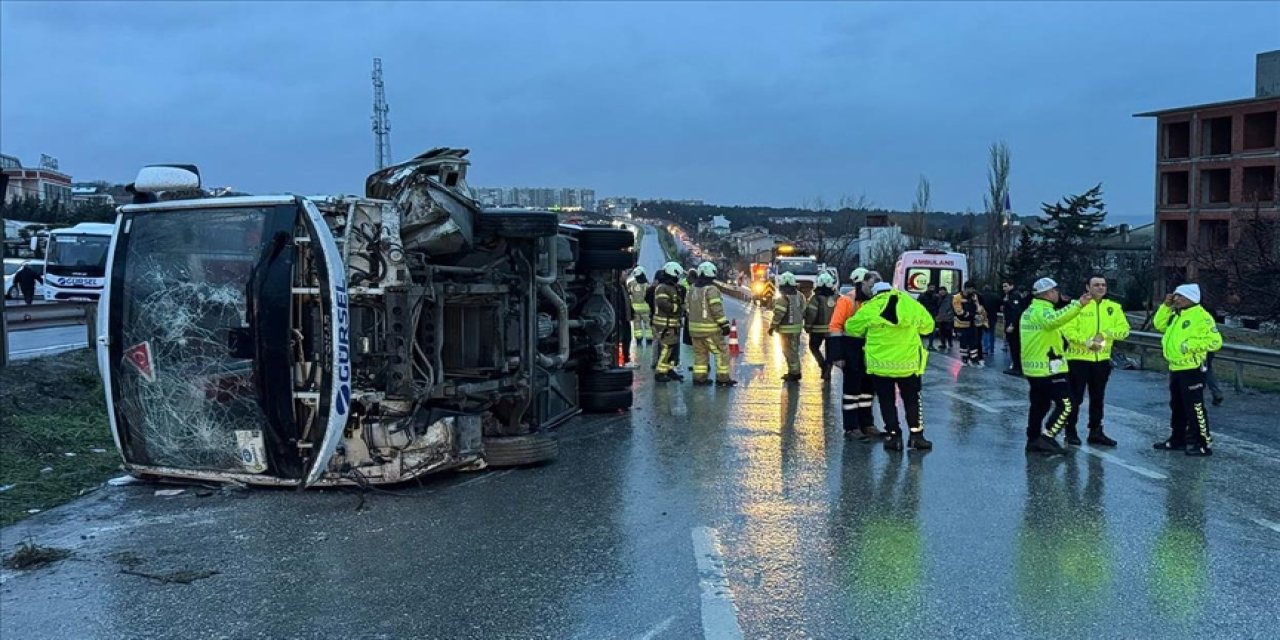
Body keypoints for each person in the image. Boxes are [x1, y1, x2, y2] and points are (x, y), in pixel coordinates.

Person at [846, 281, 936, 451]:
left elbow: (852, 327)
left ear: (875, 293)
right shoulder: (910, 304)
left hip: (881, 366)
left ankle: (894, 437)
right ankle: (917, 436)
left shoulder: (870, 307)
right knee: (912, 400)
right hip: (908, 364)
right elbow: (928, 326)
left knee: (887, 402)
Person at [1020, 277, 1090, 455]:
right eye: (1056, 291)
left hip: (1035, 367)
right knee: (1067, 405)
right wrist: (1078, 305)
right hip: (1048, 368)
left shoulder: (1032, 310)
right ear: (1049, 293)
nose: (1058, 294)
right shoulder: (1042, 311)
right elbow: (1054, 321)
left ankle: (1033, 439)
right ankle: (1047, 437)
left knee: (1040, 405)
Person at [1152, 283, 1221, 456]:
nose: (1176, 299)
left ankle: (1203, 443)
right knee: (1177, 406)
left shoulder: (1202, 317)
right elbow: (1159, 325)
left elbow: (1215, 341)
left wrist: (1188, 346)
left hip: (1192, 369)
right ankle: (1178, 439)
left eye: (1180, 296)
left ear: (1191, 297)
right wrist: (1165, 306)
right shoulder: (1177, 315)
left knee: (1195, 407)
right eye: (1175, 295)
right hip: (1176, 367)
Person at [1062, 275, 1130, 447]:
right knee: (1075, 397)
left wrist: (1105, 334)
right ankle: (1070, 430)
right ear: (1088, 287)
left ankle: (1096, 431)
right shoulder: (1077, 306)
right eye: (1096, 285)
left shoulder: (1113, 307)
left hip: (1102, 360)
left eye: (1103, 285)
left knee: (1098, 397)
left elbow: (1124, 330)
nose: (1101, 288)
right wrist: (1087, 342)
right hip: (1078, 359)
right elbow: (1067, 330)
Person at [827, 268, 885, 440]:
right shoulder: (848, 300)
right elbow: (835, 326)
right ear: (863, 283)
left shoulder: (878, 300)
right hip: (851, 349)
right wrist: (837, 356)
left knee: (868, 390)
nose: (874, 289)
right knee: (852, 390)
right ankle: (851, 427)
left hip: (872, 349)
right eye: (871, 285)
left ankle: (867, 424)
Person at [685, 262, 737, 386]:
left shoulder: (691, 289)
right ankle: (723, 379)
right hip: (710, 330)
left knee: (700, 354)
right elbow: (716, 309)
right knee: (722, 352)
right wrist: (724, 325)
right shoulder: (711, 289)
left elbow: (687, 308)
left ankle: (699, 378)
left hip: (694, 329)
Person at [652, 262, 687, 382]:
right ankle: (660, 373)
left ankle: (669, 369)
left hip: (672, 324)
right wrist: (679, 308)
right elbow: (663, 304)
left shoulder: (673, 288)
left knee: (672, 348)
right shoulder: (662, 287)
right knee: (666, 348)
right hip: (665, 325)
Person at [769, 271, 807, 381]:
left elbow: (778, 314)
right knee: (794, 351)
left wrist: (772, 327)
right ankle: (794, 371)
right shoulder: (800, 296)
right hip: (797, 329)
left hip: (785, 330)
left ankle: (794, 373)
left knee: (788, 352)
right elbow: (804, 310)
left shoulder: (782, 298)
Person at [803, 271, 839, 380]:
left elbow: (811, 314)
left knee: (814, 347)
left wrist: (808, 326)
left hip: (817, 330)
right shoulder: (837, 298)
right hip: (833, 331)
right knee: (830, 351)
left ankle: (823, 366)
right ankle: (828, 369)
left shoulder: (815, 299)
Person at [952, 281, 987, 366]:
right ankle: (964, 359)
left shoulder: (974, 297)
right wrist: (974, 316)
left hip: (972, 324)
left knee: (974, 343)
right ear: (966, 288)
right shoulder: (957, 297)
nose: (973, 291)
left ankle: (974, 359)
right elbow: (959, 312)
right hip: (961, 324)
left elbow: (979, 309)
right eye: (972, 289)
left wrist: (976, 304)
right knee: (963, 343)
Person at [1001, 282, 1027, 376]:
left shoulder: (1014, 295)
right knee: (1012, 346)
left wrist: (1012, 324)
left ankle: (1017, 368)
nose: (1004, 288)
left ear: (1012, 286)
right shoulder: (1008, 296)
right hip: (1010, 324)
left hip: (1013, 326)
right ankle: (1016, 366)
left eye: (1006, 286)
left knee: (1015, 347)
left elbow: (1016, 311)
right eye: (1003, 286)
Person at [627, 266, 653, 346]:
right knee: (648, 324)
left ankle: (638, 340)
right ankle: (649, 340)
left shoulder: (631, 283)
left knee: (637, 324)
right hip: (646, 308)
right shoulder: (647, 284)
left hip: (635, 309)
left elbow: (629, 293)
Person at [981, 286, 1003, 358]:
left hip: (984, 317)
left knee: (985, 333)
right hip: (993, 316)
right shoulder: (996, 296)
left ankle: (985, 349)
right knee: (992, 333)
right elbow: (1001, 305)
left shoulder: (981, 296)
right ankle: (992, 350)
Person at [918, 284, 942, 350]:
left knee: (932, 330)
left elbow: (938, 305)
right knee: (919, 329)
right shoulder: (922, 295)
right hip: (923, 315)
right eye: (931, 287)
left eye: (933, 287)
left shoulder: (936, 296)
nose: (932, 289)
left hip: (932, 315)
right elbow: (918, 305)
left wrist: (937, 314)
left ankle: (930, 345)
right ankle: (919, 345)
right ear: (928, 287)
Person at [933, 286, 954, 351]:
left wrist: (951, 313)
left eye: (943, 290)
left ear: (946, 291)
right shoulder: (937, 298)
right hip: (940, 317)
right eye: (940, 290)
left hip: (948, 317)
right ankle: (943, 344)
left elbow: (953, 306)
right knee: (941, 332)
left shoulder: (951, 297)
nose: (942, 292)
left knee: (948, 331)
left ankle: (950, 343)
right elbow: (936, 307)